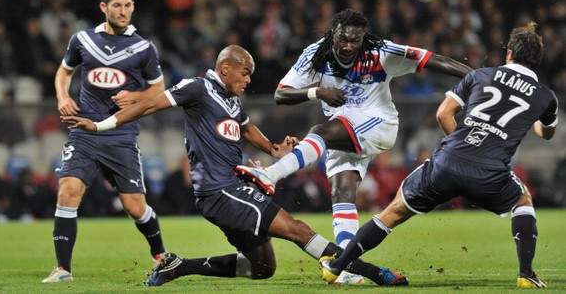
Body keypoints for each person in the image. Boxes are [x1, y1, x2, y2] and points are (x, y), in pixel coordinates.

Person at [61, 45, 408, 287]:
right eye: (245, 73)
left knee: (263, 268)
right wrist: (102, 125)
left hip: (228, 190)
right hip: (220, 189)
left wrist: (274, 148)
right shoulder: (198, 88)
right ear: (225, 68)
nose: (248, 80)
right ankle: (374, 273)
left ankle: (179, 267)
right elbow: (151, 105)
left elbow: (246, 128)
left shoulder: (230, 100)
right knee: (298, 230)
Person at [236, 9, 472, 283]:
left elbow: (435, 60)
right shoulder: (316, 53)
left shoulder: (381, 51)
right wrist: (317, 92)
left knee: (319, 132)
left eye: (355, 41)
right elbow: (281, 94)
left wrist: (478, 79)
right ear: (332, 34)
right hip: (344, 129)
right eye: (343, 39)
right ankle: (346, 268)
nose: (348, 46)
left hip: (379, 123)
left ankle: (271, 174)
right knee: (342, 193)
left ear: (364, 38)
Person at [319, 22, 558, 289]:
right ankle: (526, 274)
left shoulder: (480, 75)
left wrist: (460, 146)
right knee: (522, 200)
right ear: (537, 60)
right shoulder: (545, 97)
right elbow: (545, 133)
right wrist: (536, 121)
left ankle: (337, 267)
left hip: (447, 162)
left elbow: (443, 113)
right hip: (490, 173)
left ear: (509, 53)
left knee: (394, 211)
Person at [42, 0, 167, 283]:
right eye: (117, 5)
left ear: (133, 6)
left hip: (121, 135)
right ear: (104, 7)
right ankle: (63, 270)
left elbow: (159, 90)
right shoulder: (82, 40)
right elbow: (64, 71)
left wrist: (136, 98)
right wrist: (63, 96)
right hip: (84, 131)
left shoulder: (143, 48)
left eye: (128, 5)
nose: (123, 11)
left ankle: (161, 254)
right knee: (68, 191)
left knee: (134, 207)